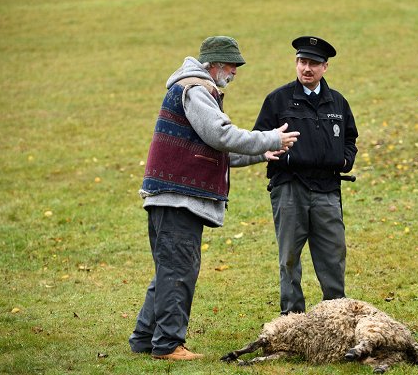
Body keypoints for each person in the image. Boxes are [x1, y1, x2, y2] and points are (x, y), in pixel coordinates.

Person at [128, 36, 300, 361]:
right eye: (232, 65)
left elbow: (217, 152)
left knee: (170, 269)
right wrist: (271, 136)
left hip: (171, 199)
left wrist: (264, 152)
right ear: (215, 64)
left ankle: (144, 338)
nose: (235, 72)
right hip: (177, 199)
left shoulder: (195, 89)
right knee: (179, 269)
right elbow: (220, 135)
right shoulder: (196, 89)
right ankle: (167, 345)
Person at [252, 36, 358, 315]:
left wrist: (346, 159)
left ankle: (336, 315)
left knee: (333, 256)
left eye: (313, 63)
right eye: (301, 62)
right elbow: (259, 137)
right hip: (289, 188)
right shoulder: (278, 100)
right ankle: (291, 319)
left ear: (325, 67)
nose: (306, 68)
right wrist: (267, 151)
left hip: (327, 189)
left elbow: (350, 137)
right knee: (289, 258)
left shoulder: (338, 102)